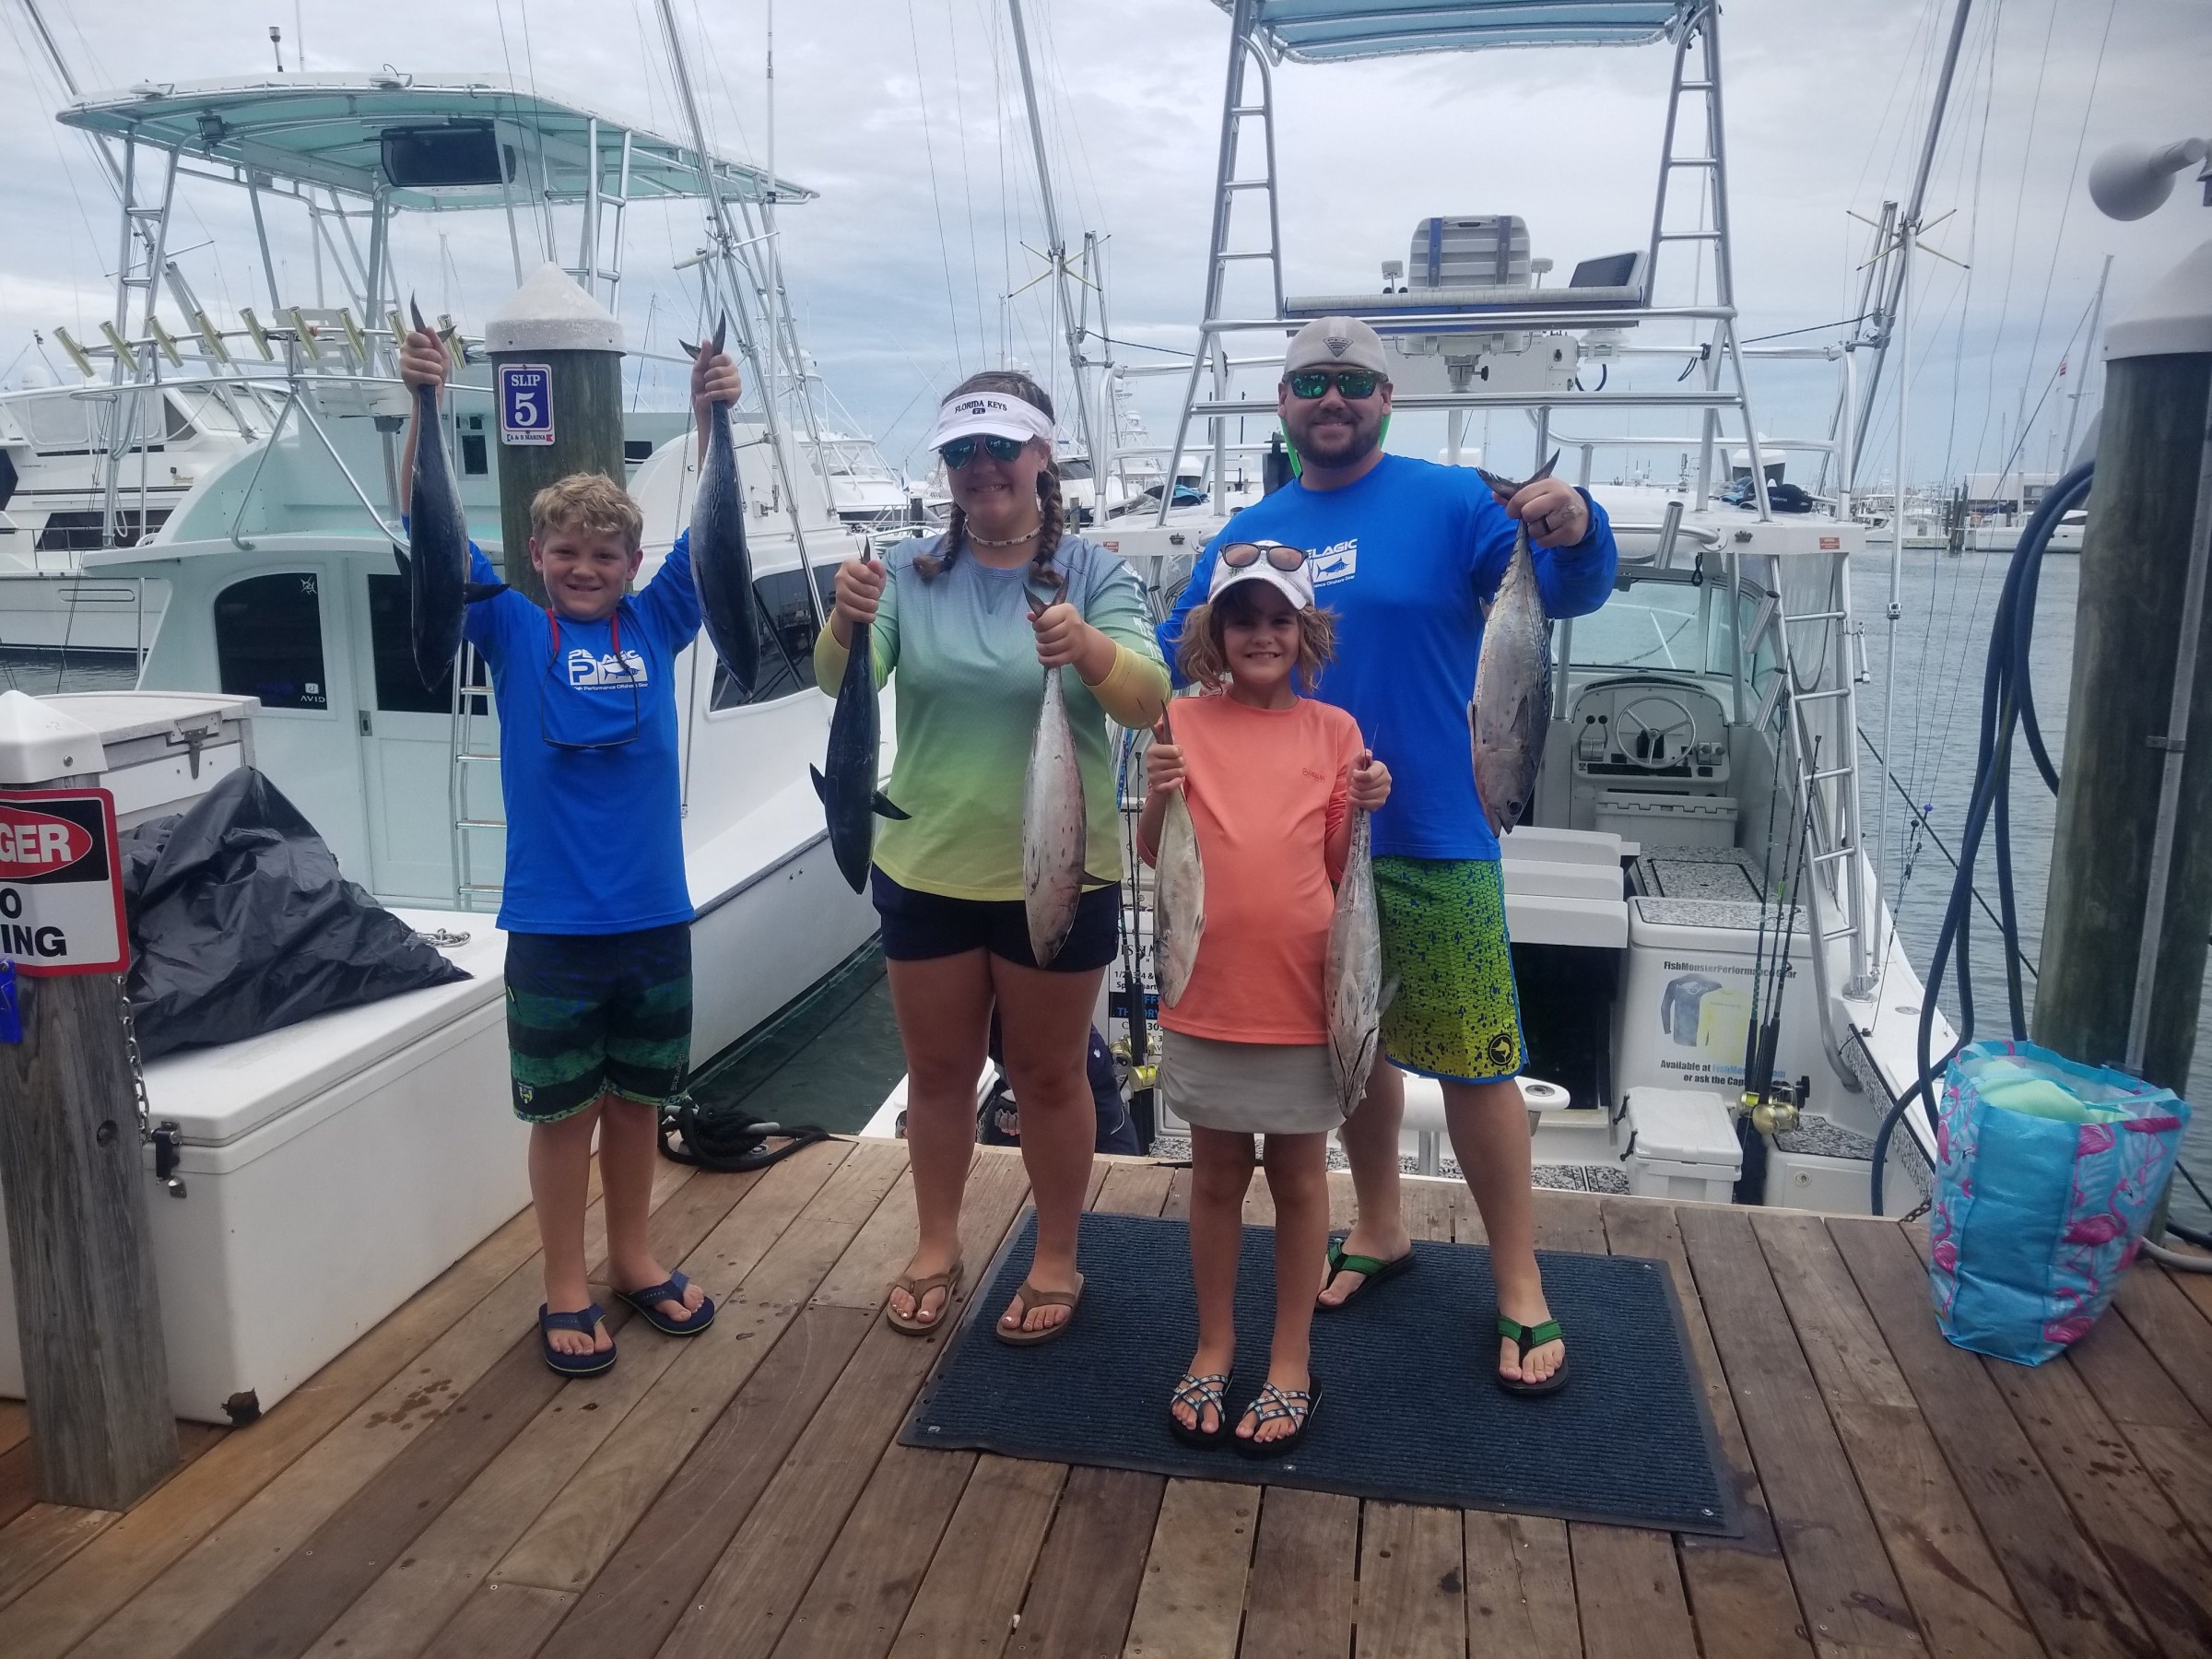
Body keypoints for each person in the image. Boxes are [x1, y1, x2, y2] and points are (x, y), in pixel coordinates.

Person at [1158, 317, 1618, 1394]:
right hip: (1295, 850)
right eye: (1312, 381)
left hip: (1439, 831)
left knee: (1474, 1061)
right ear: (1283, 403)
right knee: (1351, 1049)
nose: (1333, 399)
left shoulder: (1459, 501)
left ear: (1385, 399)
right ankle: (1382, 1226)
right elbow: (1183, 649)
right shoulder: (1255, 525)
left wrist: (1578, 523)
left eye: (1353, 383)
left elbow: (1578, 590)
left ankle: (1519, 1282)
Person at [399, 324, 735, 1375]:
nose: (586, 568)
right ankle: (563, 1282)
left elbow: (713, 535)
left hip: (654, 922)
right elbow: (428, 523)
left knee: (639, 1106)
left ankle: (634, 1258)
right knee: (563, 1118)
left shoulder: (659, 622)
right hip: (551, 929)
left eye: (605, 555)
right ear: (535, 560)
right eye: (566, 553)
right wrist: (421, 401)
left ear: (631, 566)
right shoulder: (506, 628)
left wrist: (714, 409)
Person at [819, 371, 1168, 1343]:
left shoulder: (1096, 572)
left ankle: (1056, 1252)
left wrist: (1088, 649)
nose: (980, 470)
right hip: (927, 865)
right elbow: (842, 678)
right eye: (961, 453)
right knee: (936, 1074)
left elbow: (1149, 699)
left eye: (999, 449)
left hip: (1061, 869)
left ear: (1040, 456)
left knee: (1051, 1075)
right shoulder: (905, 567)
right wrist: (846, 617)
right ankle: (936, 1242)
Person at [1143, 545, 1390, 1453]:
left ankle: (1291, 1357)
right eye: (1242, 619)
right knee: (1213, 1177)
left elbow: (1336, 865)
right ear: (1214, 634)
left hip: (1303, 995)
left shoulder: (1336, 732)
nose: (1261, 634)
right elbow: (1155, 861)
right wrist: (1154, 796)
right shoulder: (1179, 720)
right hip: (1205, 992)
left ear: (1305, 633)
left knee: (1296, 1177)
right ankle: (1215, 1343)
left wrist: (1368, 801)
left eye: (1279, 619)